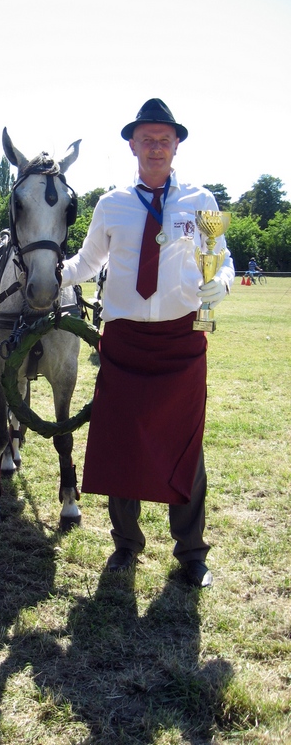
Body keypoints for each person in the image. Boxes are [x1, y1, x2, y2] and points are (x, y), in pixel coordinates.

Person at [62, 98, 234, 588]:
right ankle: (126, 546)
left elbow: (220, 257)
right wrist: (48, 275)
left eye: (164, 139)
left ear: (176, 145)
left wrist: (220, 283)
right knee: (121, 444)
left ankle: (192, 551)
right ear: (132, 145)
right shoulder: (111, 203)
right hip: (124, 342)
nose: (156, 147)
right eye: (147, 139)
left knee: (187, 447)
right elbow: (86, 264)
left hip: (181, 342)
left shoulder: (201, 202)